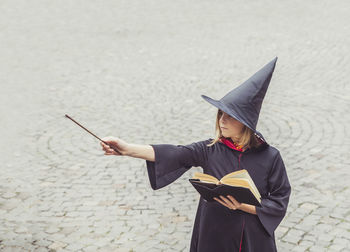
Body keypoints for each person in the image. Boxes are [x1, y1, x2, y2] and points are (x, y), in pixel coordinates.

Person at [100, 57, 291, 252]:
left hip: (252, 240)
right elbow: (175, 153)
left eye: (230, 116)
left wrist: (242, 205)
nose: (222, 120)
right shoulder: (210, 149)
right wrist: (126, 149)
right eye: (220, 114)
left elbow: (279, 202)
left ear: (245, 123)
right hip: (214, 235)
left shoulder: (270, 157)